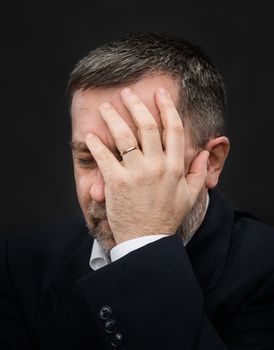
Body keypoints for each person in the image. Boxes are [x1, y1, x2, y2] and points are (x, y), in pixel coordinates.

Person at [1, 32, 274, 349]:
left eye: (140, 157)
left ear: (211, 162)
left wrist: (142, 245)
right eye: (88, 160)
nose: (103, 191)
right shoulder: (17, 263)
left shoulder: (265, 270)